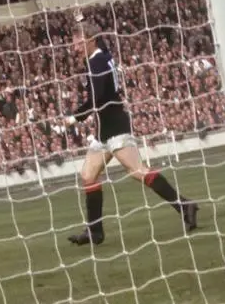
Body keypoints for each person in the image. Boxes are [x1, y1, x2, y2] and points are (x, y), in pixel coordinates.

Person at [65, 19, 198, 245]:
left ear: (90, 40)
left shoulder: (96, 63)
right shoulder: (102, 56)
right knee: (88, 175)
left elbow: (97, 99)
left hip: (115, 127)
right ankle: (94, 231)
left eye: (78, 43)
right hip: (103, 130)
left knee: (138, 171)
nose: (74, 48)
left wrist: (75, 116)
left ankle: (185, 205)